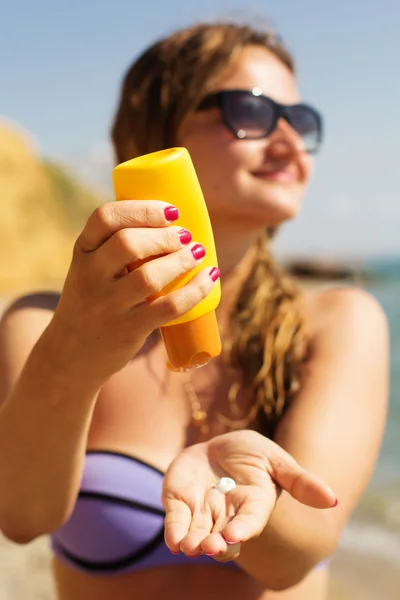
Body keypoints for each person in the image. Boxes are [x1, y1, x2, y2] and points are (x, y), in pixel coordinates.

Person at [0, 20, 389, 600]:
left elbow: (296, 557)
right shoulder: (43, 323)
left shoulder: (337, 321)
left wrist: (245, 489)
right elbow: (23, 516)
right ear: (157, 131)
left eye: (300, 122)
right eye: (252, 112)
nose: (286, 140)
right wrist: (76, 352)